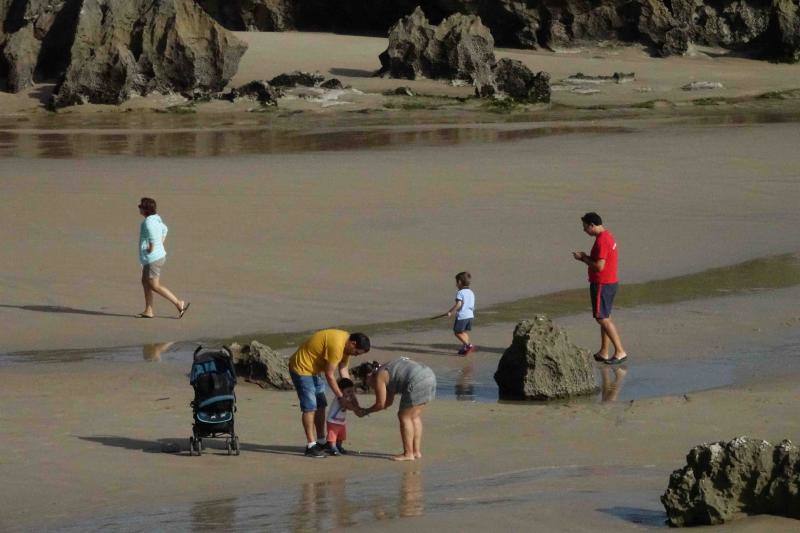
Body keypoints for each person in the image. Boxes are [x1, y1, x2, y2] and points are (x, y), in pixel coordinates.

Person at [288, 329, 370, 458]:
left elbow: (343, 371)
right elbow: (330, 375)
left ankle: (321, 442)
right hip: (302, 368)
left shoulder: (346, 346)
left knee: (321, 404)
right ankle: (311, 446)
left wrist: (353, 399)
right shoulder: (337, 345)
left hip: (314, 371)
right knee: (310, 407)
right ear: (353, 343)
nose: (355, 355)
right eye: (356, 352)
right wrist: (341, 397)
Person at [353, 357, 436, 461]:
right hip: (429, 375)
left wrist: (365, 411)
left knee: (404, 416)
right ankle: (416, 452)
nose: (368, 385)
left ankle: (408, 454)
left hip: (416, 379)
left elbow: (380, 404)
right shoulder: (387, 369)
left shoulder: (380, 376)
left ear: (368, 375)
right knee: (414, 416)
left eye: (365, 381)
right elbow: (388, 402)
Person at [572, 212, 627, 364]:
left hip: (603, 284)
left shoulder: (602, 241)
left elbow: (599, 266)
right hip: (610, 282)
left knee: (601, 318)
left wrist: (583, 258)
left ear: (592, 225)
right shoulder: (608, 236)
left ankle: (620, 351)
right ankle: (604, 351)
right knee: (605, 317)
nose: (584, 230)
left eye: (585, 227)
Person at [137, 197, 189, 319]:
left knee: (154, 285)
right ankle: (148, 310)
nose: (139, 208)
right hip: (157, 256)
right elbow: (165, 229)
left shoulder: (148, 223)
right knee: (145, 282)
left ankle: (178, 303)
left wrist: (150, 248)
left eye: (141, 206)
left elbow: (151, 237)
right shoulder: (156, 220)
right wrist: (160, 242)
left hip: (152, 258)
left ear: (145, 209)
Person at [324, 377, 360, 456]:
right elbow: (347, 405)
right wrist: (356, 409)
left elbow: (354, 402)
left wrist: (356, 404)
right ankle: (332, 447)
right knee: (333, 435)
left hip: (341, 421)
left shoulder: (347, 397)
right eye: (348, 391)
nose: (350, 393)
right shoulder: (339, 398)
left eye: (352, 391)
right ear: (340, 390)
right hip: (333, 421)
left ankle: (338, 446)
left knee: (341, 435)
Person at [443, 271, 476, 355]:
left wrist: (450, 312)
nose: (456, 285)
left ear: (460, 282)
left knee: (457, 332)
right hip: (470, 315)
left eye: (456, 282)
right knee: (463, 332)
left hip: (462, 316)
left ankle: (468, 345)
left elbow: (459, 304)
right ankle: (465, 346)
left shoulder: (460, 292)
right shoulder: (471, 292)